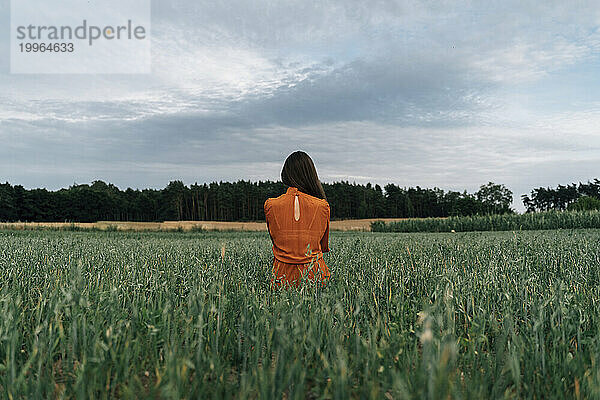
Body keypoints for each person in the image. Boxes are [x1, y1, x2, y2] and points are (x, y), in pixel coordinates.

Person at [264, 151, 331, 288]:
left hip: (281, 279)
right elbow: (323, 246)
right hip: (316, 278)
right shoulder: (323, 206)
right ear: (311, 174)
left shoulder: (270, 205)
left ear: (286, 174)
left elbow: (277, 242)